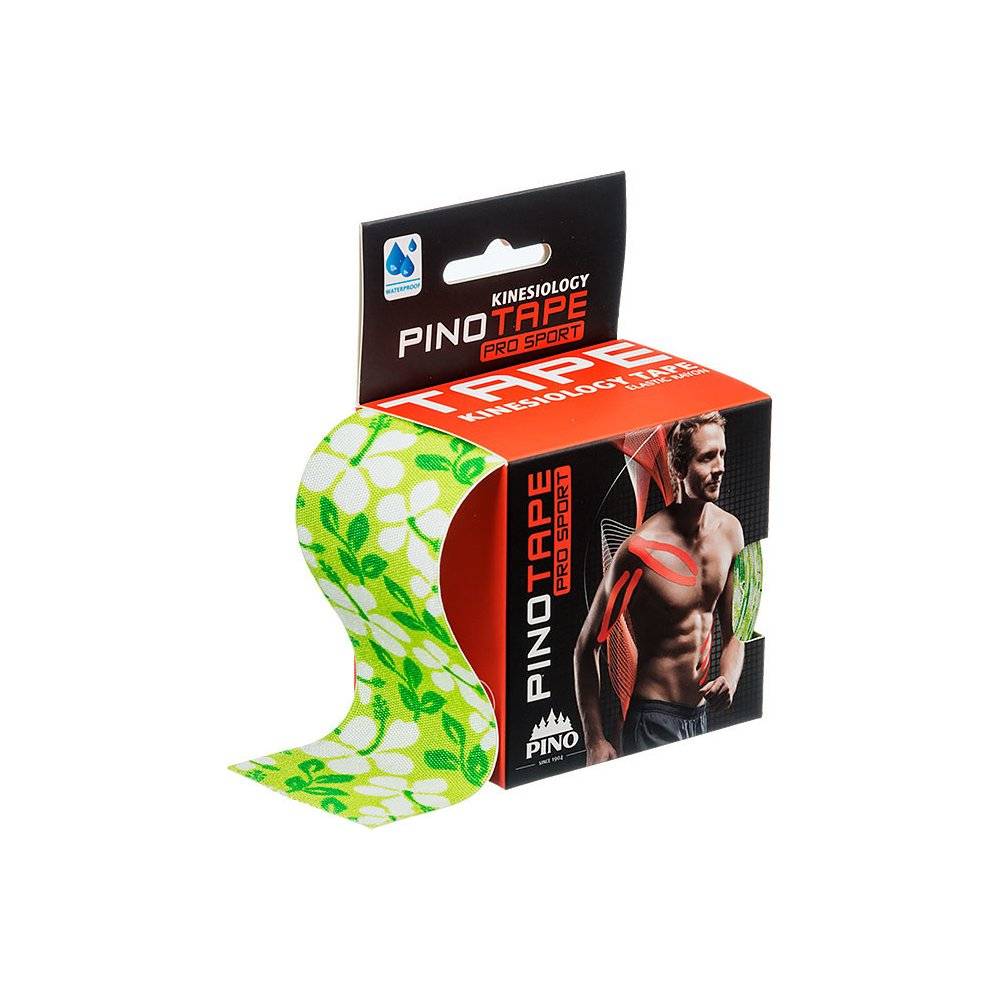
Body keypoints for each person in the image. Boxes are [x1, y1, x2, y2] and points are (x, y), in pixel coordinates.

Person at [574, 412, 745, 762]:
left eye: (722, 454)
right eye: (707, 458)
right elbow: (587, 646)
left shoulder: (731, 533)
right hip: (652, 719)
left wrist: (729, 677)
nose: (720, 467)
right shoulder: (641, 550)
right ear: (679, 468)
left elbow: (737, 632)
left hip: (701, 715)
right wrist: (594, 739)